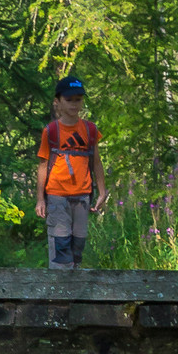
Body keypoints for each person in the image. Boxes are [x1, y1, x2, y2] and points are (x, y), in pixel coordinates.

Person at [35, 73, 107, 271]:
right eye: (68, 100)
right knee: (61, 249)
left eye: (78, 100)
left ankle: (71, 295)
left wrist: (102, 191)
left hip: (83, 197)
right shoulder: (51, 131)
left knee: (77, 247)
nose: (74, 105)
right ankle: (58, 297)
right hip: (57, 196)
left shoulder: (90, 130)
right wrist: (40, 199)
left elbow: (96, 162)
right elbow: (42, 165)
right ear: (57, 102)